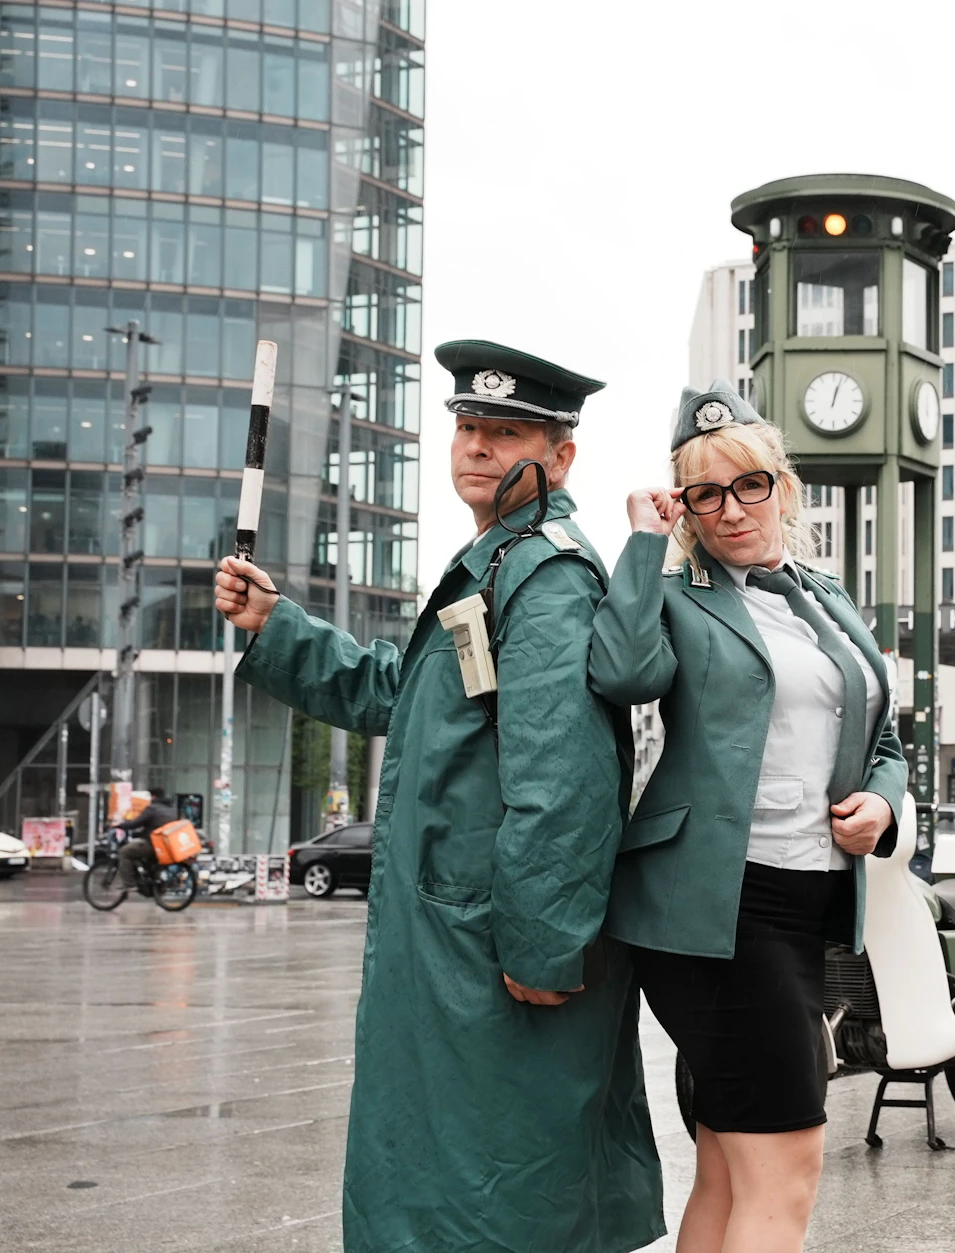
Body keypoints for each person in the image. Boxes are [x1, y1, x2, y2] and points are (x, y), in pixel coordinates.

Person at [213, 340, 664, 1253]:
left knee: (497, 1201)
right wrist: (279, 626)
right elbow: (404, 693)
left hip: (493, 954)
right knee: (464, 1190)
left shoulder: (542, 581)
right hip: (458, 945)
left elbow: (561, 778)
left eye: (507, 432)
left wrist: (541, 948)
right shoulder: (496, 564)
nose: (478, 448)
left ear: (562, 454)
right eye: (467, 428)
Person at [592, 381, 908, 1253]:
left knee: (731, 1169)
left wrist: (882, 800)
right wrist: (641, 546)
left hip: (805, 902)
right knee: (790, 1165)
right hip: (712, 907)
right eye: (705, 493)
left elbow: (884, 734)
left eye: (748, 485)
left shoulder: (828, 598)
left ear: (782, 484)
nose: (730, 509)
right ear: (684, 504)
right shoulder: (678, 591)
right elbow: (621, 674)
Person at [114, 789, 176, 888]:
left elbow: (136, 823)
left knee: (124, 852)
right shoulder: (171, 810)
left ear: (153, 797)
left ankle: (130, 884)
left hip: (154, 843)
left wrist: (120, 825)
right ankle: (152, 882)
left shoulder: (152, 808)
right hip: (167, 845)